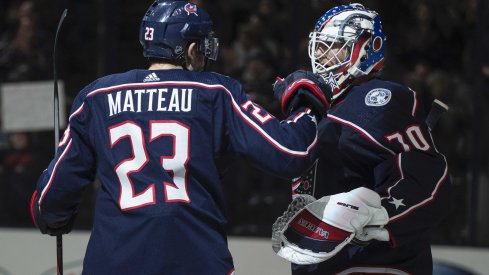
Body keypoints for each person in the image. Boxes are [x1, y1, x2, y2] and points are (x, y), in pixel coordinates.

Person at [29, 1, 332, 274]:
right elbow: (291, 153)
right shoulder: (216, 92)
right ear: (190, 50)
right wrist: (306, 105)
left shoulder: (96, 96)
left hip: (112, 263)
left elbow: (50, 200)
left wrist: (54, 220)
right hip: (196, 260)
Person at [271, 3, 451, 274]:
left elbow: (426, 177)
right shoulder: (320, 106)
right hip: (327, 264)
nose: (320, 53)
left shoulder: (377, 99)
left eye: (332, 45)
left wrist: (384, 214)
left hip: (375, 264)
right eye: (319, 45)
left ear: (366, 48)